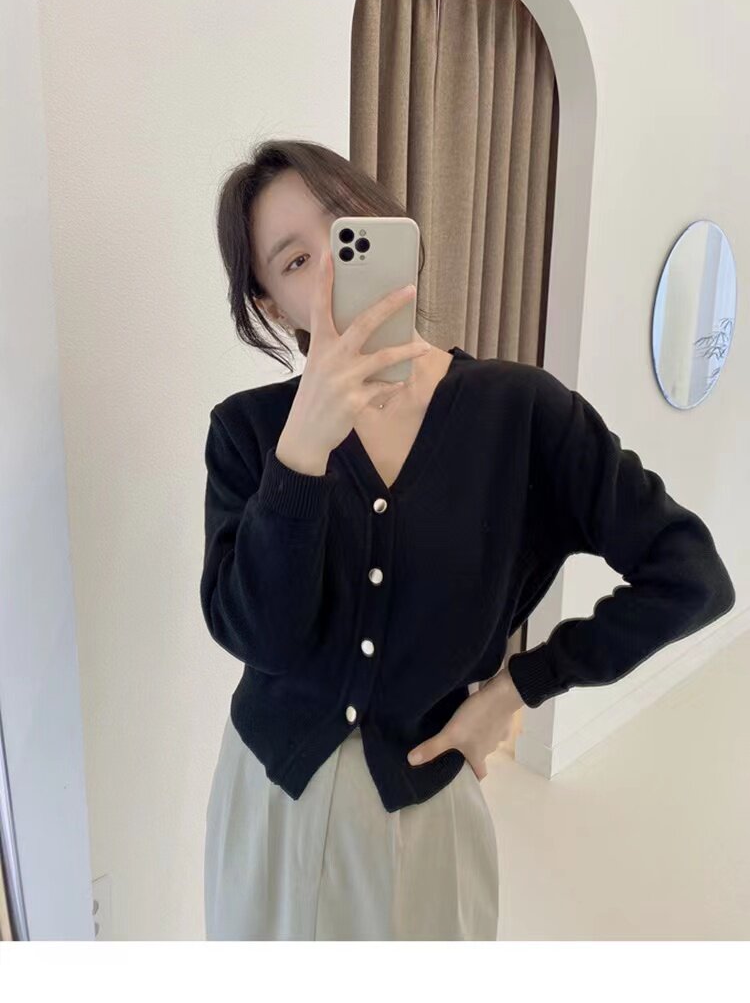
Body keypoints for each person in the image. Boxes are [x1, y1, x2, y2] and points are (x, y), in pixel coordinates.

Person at [200, 139, 734, 940]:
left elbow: (692, 577)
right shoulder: (247, 433)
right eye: (297, 260)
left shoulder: (522, 413)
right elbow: (259, 637)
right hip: (270, 798)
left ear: (390, 227)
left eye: (346, 228)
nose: (334, 268)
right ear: (273, 304)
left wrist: (521, 685)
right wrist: (300, 455)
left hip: (424, 806)